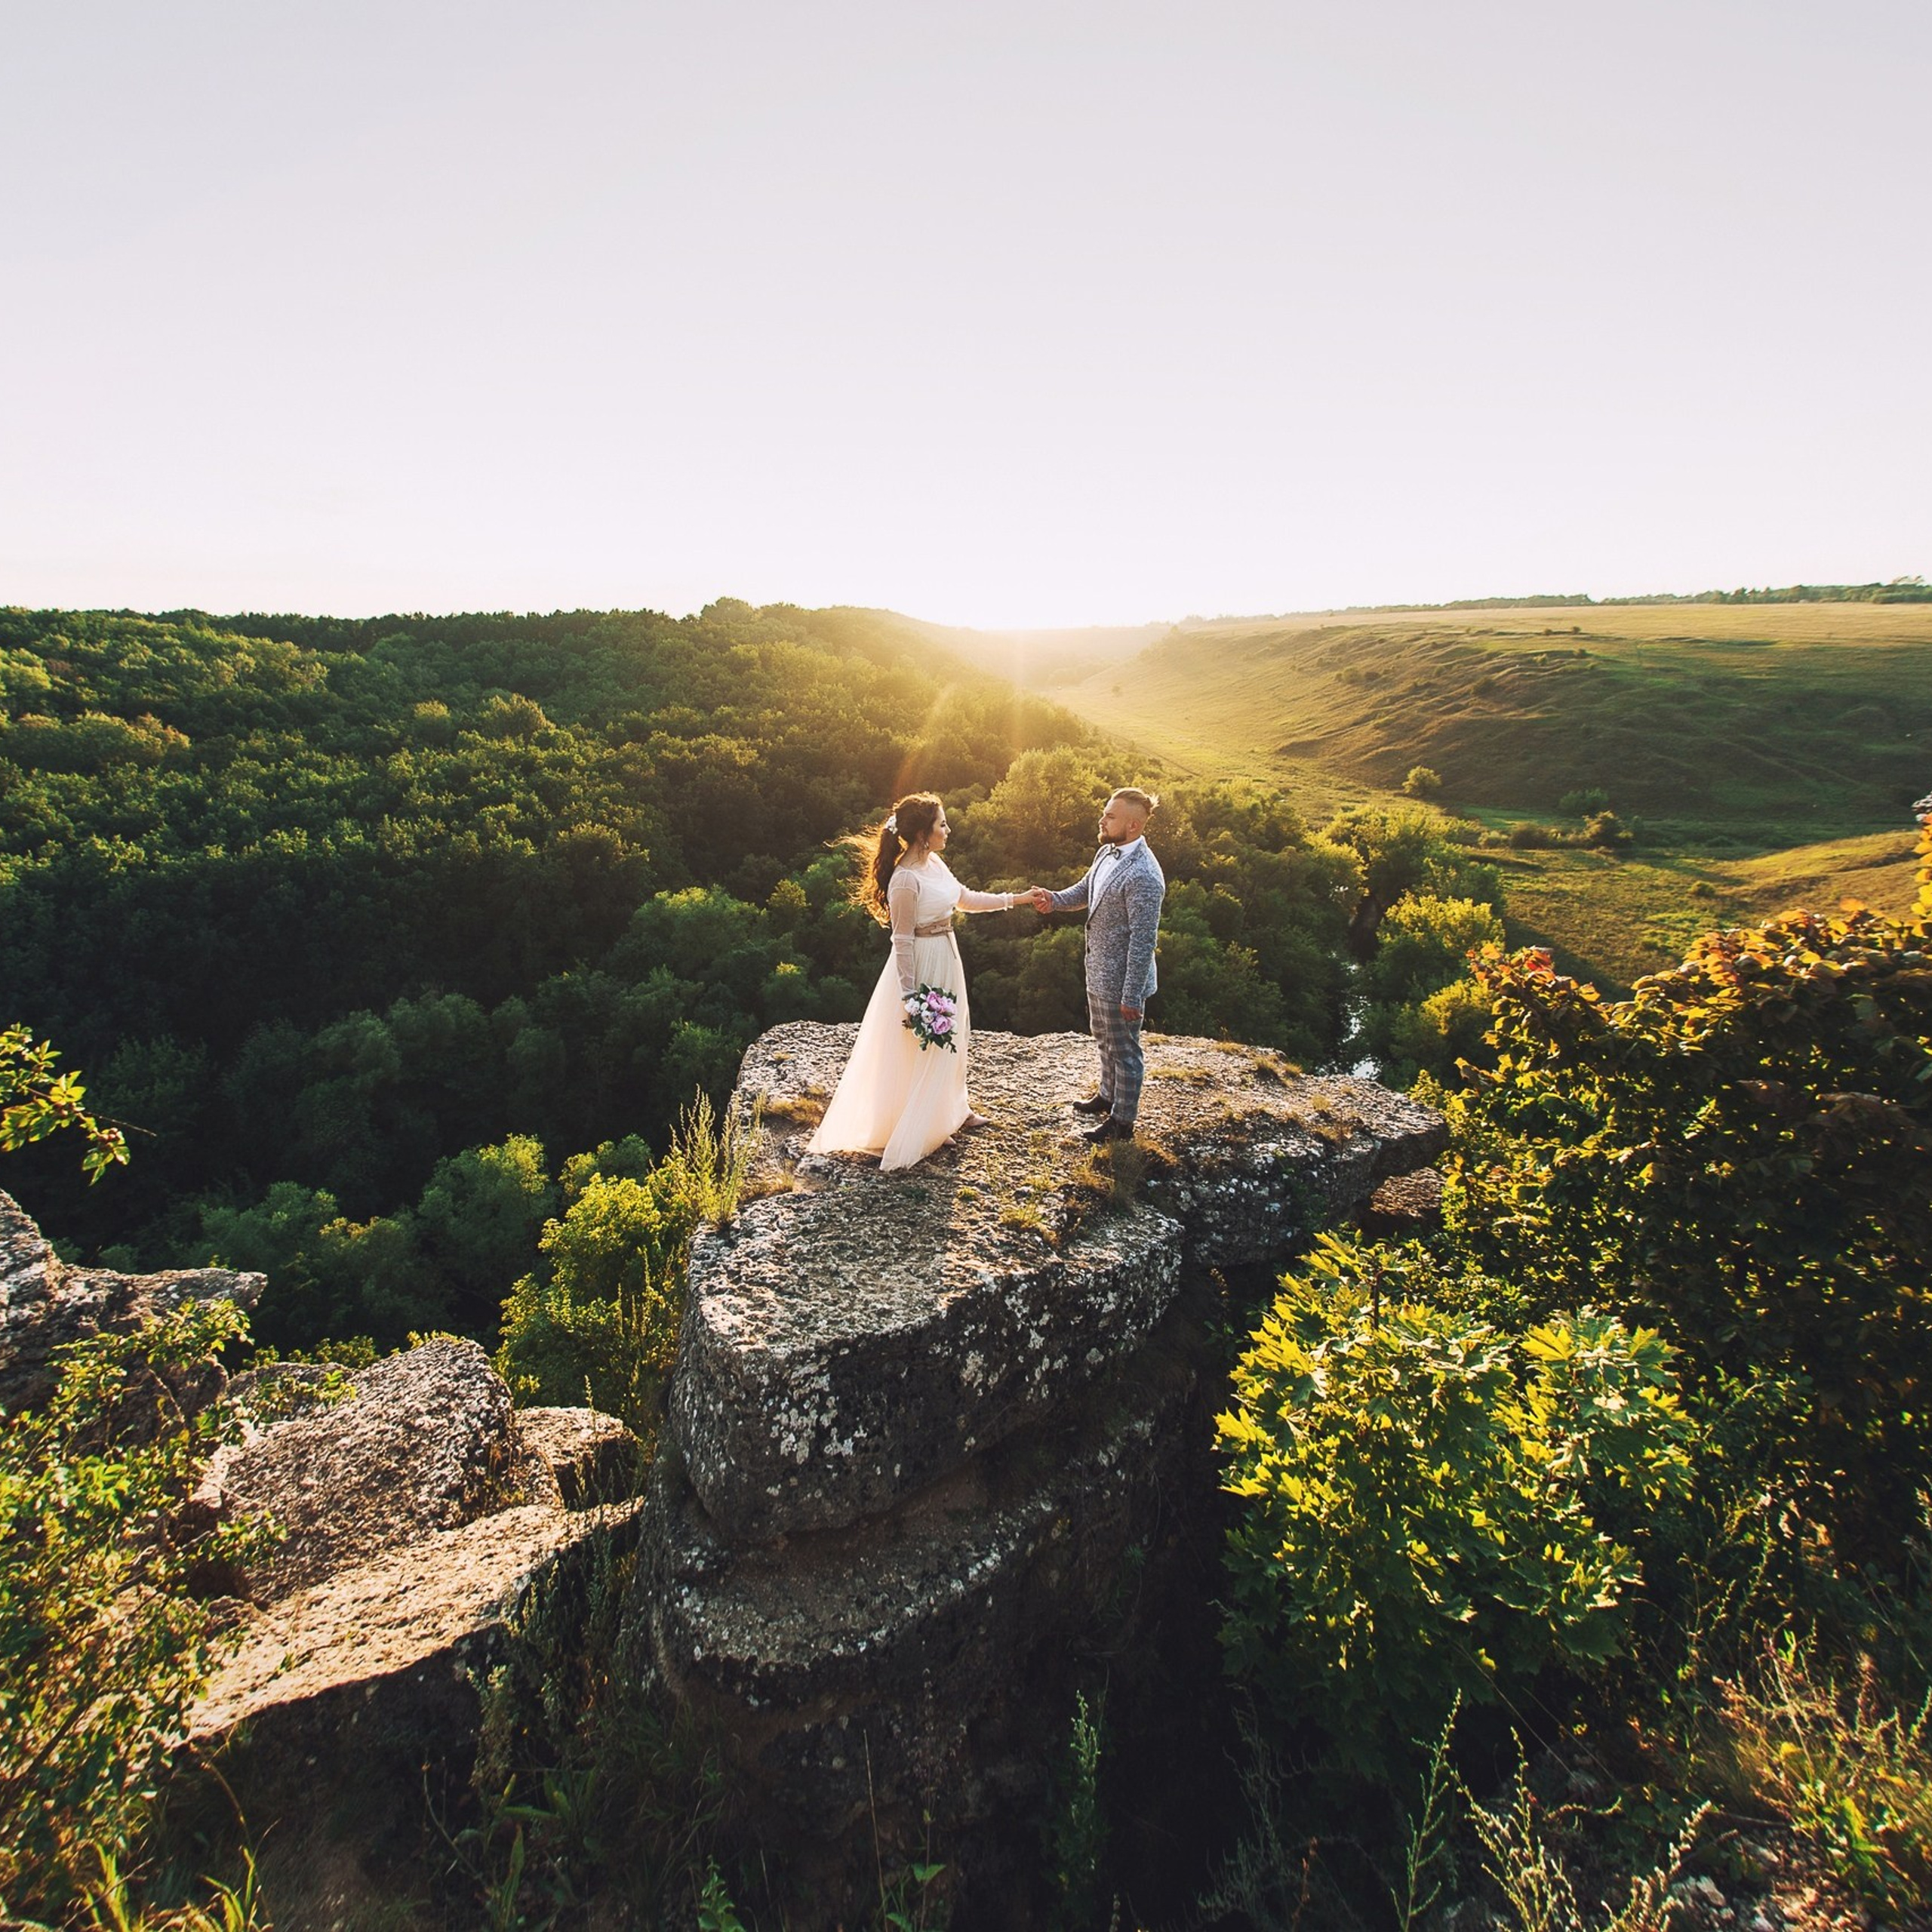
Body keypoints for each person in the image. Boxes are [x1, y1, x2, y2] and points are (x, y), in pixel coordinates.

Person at [808, 792, 1027, 1171]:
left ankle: (952, 1112)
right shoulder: (905, 881)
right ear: (924, 833)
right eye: (942, 823)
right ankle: (925, 1125)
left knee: (953, 1037)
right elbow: (902, 941)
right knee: (924, 1045)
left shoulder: (935, 864)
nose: (949, 829)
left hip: (948, 956)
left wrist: (1018, 898)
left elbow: (966, 899)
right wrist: (911, 998)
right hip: (922, 966)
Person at [1029, 787, 1167, 1143]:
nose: (1101, 820)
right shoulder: (1107, 851)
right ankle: (1107, 1097)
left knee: (1126, 1053)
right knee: (1104, 1040)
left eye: (1110, 817)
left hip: (1122, 983)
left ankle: (1122, 1124)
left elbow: (1142, 941)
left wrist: (1132, 996)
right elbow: (1087, 889)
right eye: (1105, 813)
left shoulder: (1145, 876)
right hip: (1098, 972)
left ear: (1133, 826)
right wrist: (1054, 900)